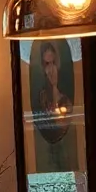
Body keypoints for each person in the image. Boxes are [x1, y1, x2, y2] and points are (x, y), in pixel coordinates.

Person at [30, 40, 79, 172]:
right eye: (46, 53)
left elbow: (55, 83)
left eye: (51, 52)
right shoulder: (45, 74)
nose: (49, 55)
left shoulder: (56, 69)